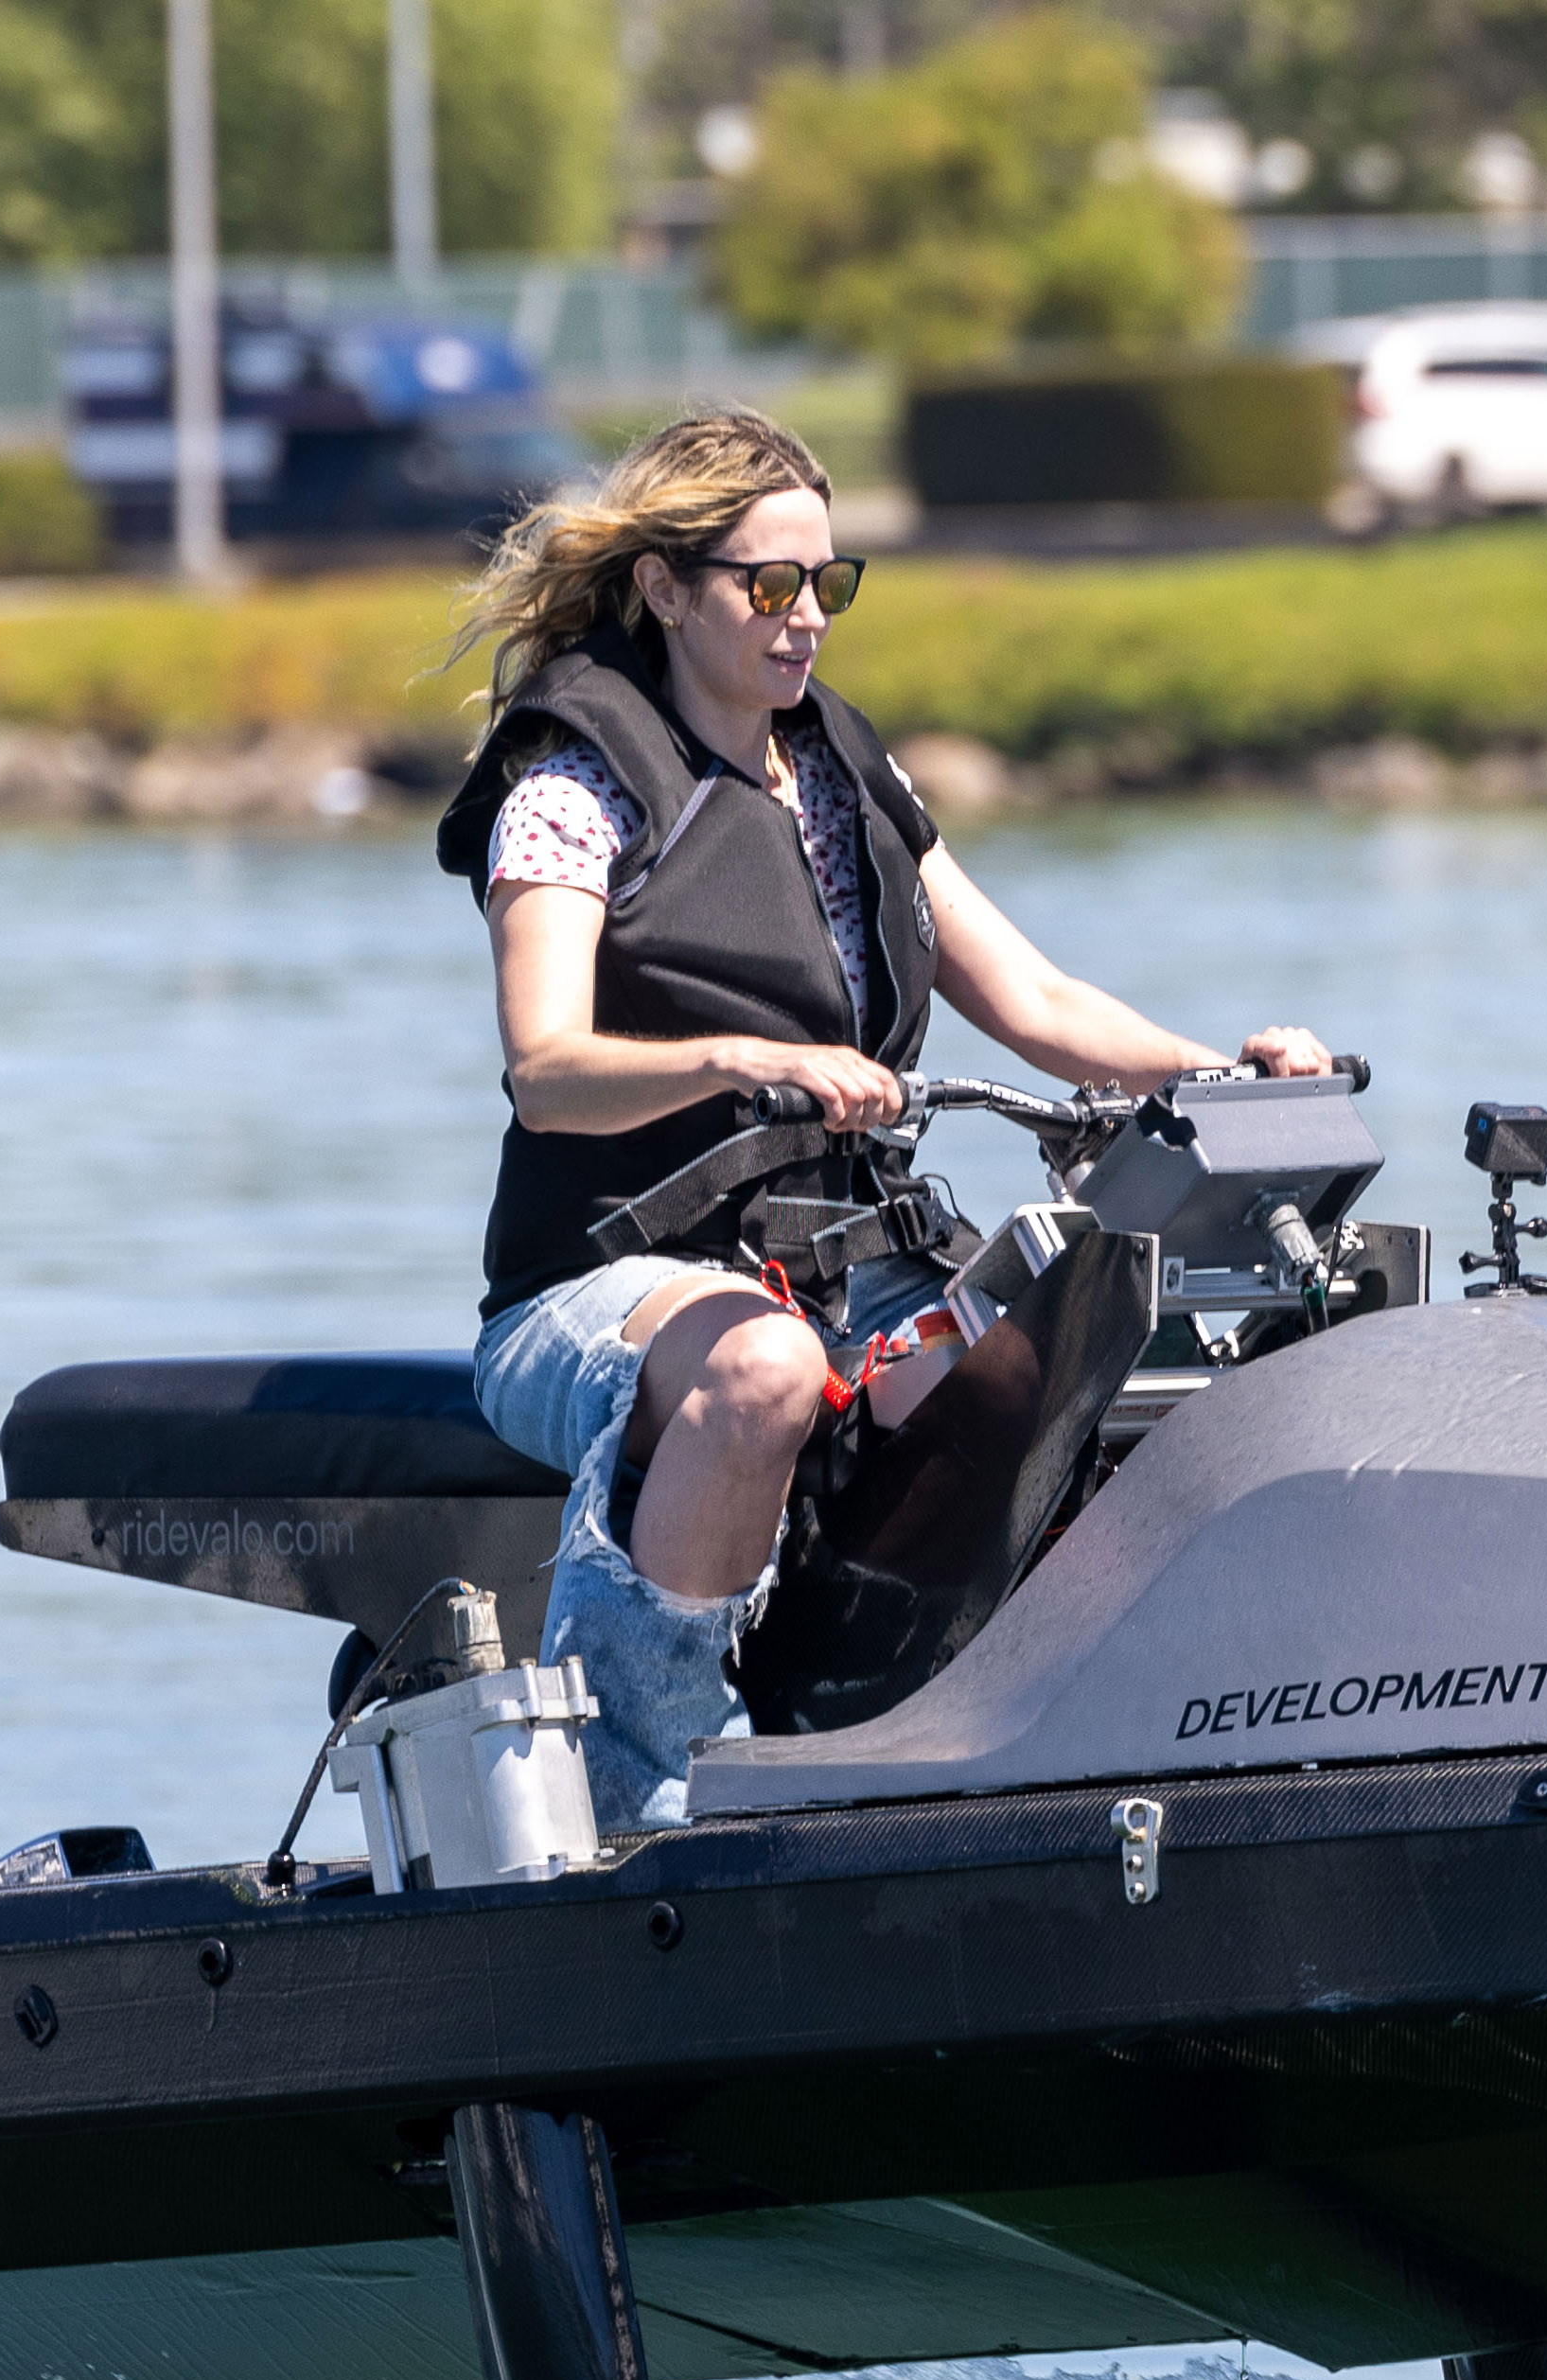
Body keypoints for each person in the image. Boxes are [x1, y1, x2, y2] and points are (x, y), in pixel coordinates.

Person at [438, 407, 1331, 1828]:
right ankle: (638, 1798)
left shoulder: (854, 777)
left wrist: (1225, 1077)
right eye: (770, 587)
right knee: (766, 1372)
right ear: (667, 589)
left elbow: (1033, 1002)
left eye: (830, 586)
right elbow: (545, 1066)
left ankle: (992, 1765)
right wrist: (740, 1054)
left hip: (848, 1266)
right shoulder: (572, 788)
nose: (807, 622)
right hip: (596, 1290)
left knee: (1049, 1377)